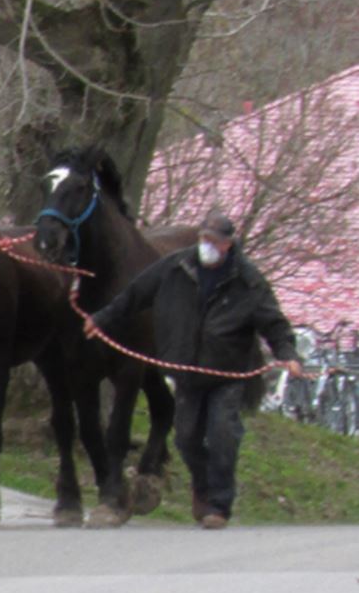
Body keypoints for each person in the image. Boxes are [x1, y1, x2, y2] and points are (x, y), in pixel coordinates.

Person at [83, 212, 304, 529]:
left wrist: (288, 354)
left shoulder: (248, 280)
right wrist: (102, 318)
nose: (206, 246)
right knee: (186, 437)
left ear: (228, 245)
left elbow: (274, 322)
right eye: (203, 239)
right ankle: (202, 486)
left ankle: (218, 505)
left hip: (227, 372)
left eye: (213, 241)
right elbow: (136, 293)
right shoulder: (176, 267)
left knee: (223, 434)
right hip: (187, 369)